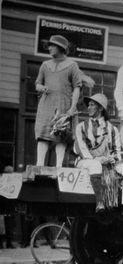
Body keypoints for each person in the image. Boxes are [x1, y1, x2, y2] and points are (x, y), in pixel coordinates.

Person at [74, 93, 123, 218]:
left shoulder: (112, 129)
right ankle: (100, 202)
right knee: (95, 164)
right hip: (86, 161)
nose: (89, 108)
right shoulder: (81, 127)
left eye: (92, 105)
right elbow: (81, 148)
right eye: (89, 105)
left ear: (100, 108)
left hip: (107, 164)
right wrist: (97, 159)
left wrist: (112, 158)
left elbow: (116, 150)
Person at [35, 35, 82, 167]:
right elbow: (37, 83)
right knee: (43, 134)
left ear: (61, 48)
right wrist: (41, 87)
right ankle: (39, 166)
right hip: (46, 105)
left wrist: (73, 107)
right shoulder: (45, 65)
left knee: (60, 136)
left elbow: (77, 87)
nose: (49, 48)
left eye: (52, 45)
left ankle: (58, 168)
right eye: (49, 45)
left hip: (63, 105)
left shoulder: (72, 65)